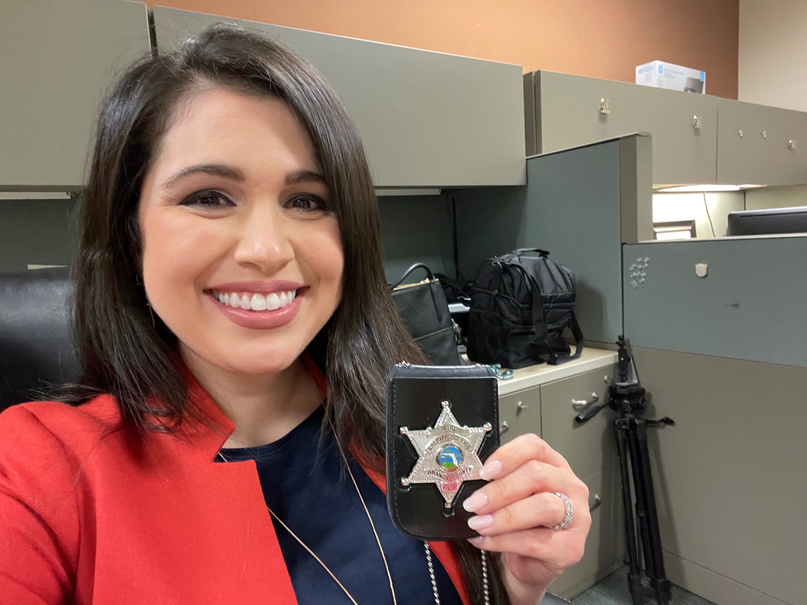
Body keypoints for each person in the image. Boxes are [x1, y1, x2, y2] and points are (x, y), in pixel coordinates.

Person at [0, 24, 590, 605]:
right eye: (208, 197)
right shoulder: (38, 472)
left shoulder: (401, 416)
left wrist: (514, 587)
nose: (267, 250)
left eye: (306, 201)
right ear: (132, 237)